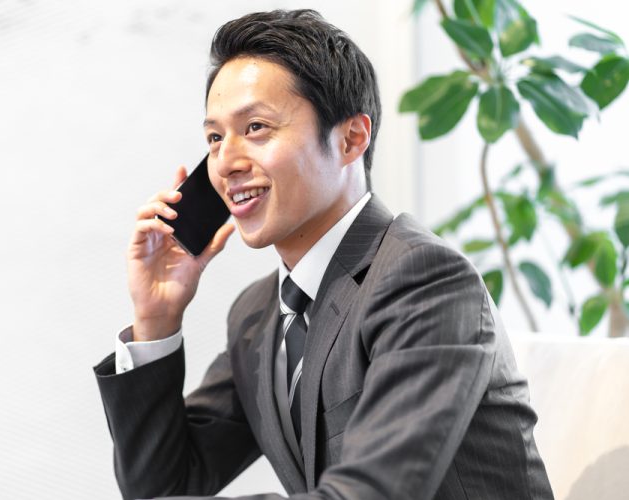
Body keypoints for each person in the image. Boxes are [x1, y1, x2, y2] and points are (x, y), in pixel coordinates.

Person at [93, 9, 554, 500]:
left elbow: (373, 491)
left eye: (255, 127)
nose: (224, 162)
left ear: (351, 138)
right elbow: (164, 486)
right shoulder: (257, 316)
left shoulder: (425, 281)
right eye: (215, 137)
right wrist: (156, 319)